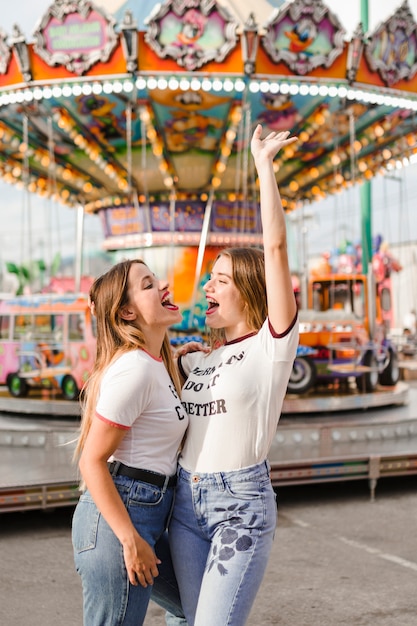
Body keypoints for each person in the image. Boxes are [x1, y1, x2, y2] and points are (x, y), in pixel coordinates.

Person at [169, 125, 299, 626]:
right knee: (185, 621)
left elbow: (277, 250)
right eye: (210, 278)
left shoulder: (272, 345)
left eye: (221, 279)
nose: (208, 285)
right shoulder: (196, 360)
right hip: (184, 501)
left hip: (238, 504)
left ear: (249, 289)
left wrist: (263, 165)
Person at [71, 259, 188, 626]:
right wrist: (129, 539)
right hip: (122, 518)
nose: (165, 285)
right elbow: (91, 460)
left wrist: (184, 361)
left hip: (148, 512)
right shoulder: (134, 369)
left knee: (194, 609)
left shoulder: (154, 365)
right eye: (150, 284)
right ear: (127, 312)